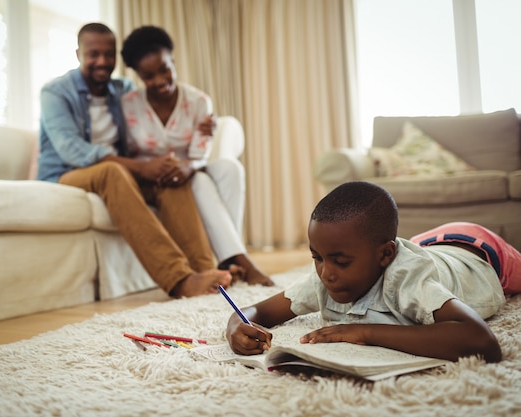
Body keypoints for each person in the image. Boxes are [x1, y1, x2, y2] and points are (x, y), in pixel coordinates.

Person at [37, 22, 232, 298]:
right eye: (93, 54)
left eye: (109, 54)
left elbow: (151, 119)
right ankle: (179, 280)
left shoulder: (122, 90)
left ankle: (207, 272)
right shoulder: (56, 92)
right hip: (67, 174)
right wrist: (141, 167)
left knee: (168, 174)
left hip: (121, 172)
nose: (102, 61)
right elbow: (72, 151)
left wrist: (204, 126)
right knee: (111, 172)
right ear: (78, 53)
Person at [226, 181, 521, 363]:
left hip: (481, 253)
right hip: (427, 243)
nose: (326, 273)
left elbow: (483, 342)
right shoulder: (329, 274)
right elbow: (255, 311)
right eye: (317, 257)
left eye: (341, 261)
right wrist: (235, 326)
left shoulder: (408, 280)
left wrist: (365, 331)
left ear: (385, 256)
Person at [119, 25, 273, 287]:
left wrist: (189, 167)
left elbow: (199, 154)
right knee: (201, 182)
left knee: (229, 168)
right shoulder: (128, 105)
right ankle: (237, 259)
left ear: (173, 61)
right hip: (154, 179)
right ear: (137, 75)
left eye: (165, 69)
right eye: (148, 75)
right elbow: (124, 152)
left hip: (191, 168)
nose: (159, 80)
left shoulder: (199, 101)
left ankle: (230, 258)